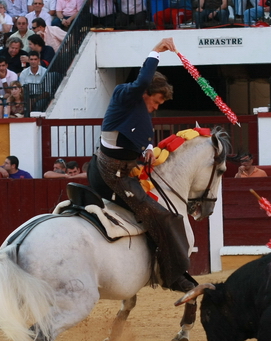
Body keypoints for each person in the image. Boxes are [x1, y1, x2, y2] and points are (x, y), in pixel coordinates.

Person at [86, 37, 201, 307]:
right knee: (159, 215)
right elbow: (141, 82)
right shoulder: (127, 94)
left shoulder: (139, 109)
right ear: (147, 92)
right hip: (113, 175)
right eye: (157, 100)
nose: (157, 106)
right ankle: (174, 276)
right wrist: (155, 52)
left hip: (123, 169)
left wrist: (148, 147)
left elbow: (142, 133)